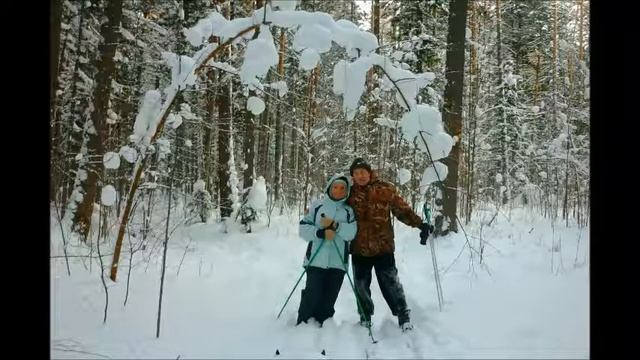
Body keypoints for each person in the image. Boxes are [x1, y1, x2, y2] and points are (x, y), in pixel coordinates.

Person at [347, 158, 433, 332]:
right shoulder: (348, 193)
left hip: (383, 247)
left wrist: (420, 224)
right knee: (361, 285)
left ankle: (403, 316)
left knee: (390, 283)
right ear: (352, 177)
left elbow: (402, 210)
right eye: (356, 173)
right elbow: (334, 208)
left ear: (370, 173)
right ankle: (365, 317)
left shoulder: (385, 189)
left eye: (363, 172)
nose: (360, 176)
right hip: (359, 248)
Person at [296, 174, 357, 326]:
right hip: (316, 259)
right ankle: (303, 323)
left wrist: (336, 226)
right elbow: (303, 228)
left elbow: (352, 233)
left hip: (338, 262)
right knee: (312, 294)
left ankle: (324, 324)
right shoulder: (317, 206)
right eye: (335, 187)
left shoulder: (348, 211)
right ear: (329, 187)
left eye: (343, 188)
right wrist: (320, 233)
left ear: (347, 191)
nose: (338, 190)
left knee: (329, 297)